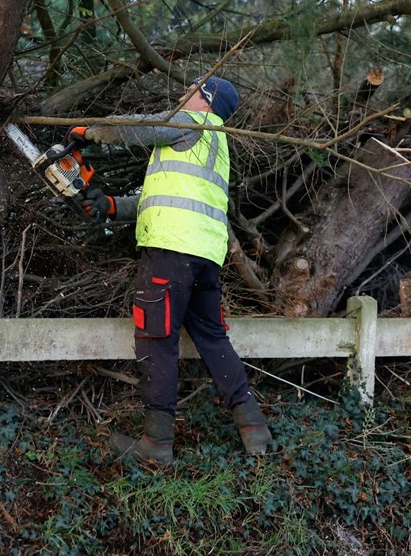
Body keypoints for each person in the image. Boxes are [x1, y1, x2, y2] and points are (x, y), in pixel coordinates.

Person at [67, 76, 275, 466]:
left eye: (191, 91)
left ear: (206, 101)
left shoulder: (189, 123)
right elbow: (159, 198)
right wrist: (113, 206)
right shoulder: (215, 144)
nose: (181, 96)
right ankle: (254, 428)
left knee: (156, 338)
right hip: (204, 256)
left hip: (170, 250)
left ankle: (157, 443)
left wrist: (93, 131)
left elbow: (140, 127)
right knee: (212, 338)